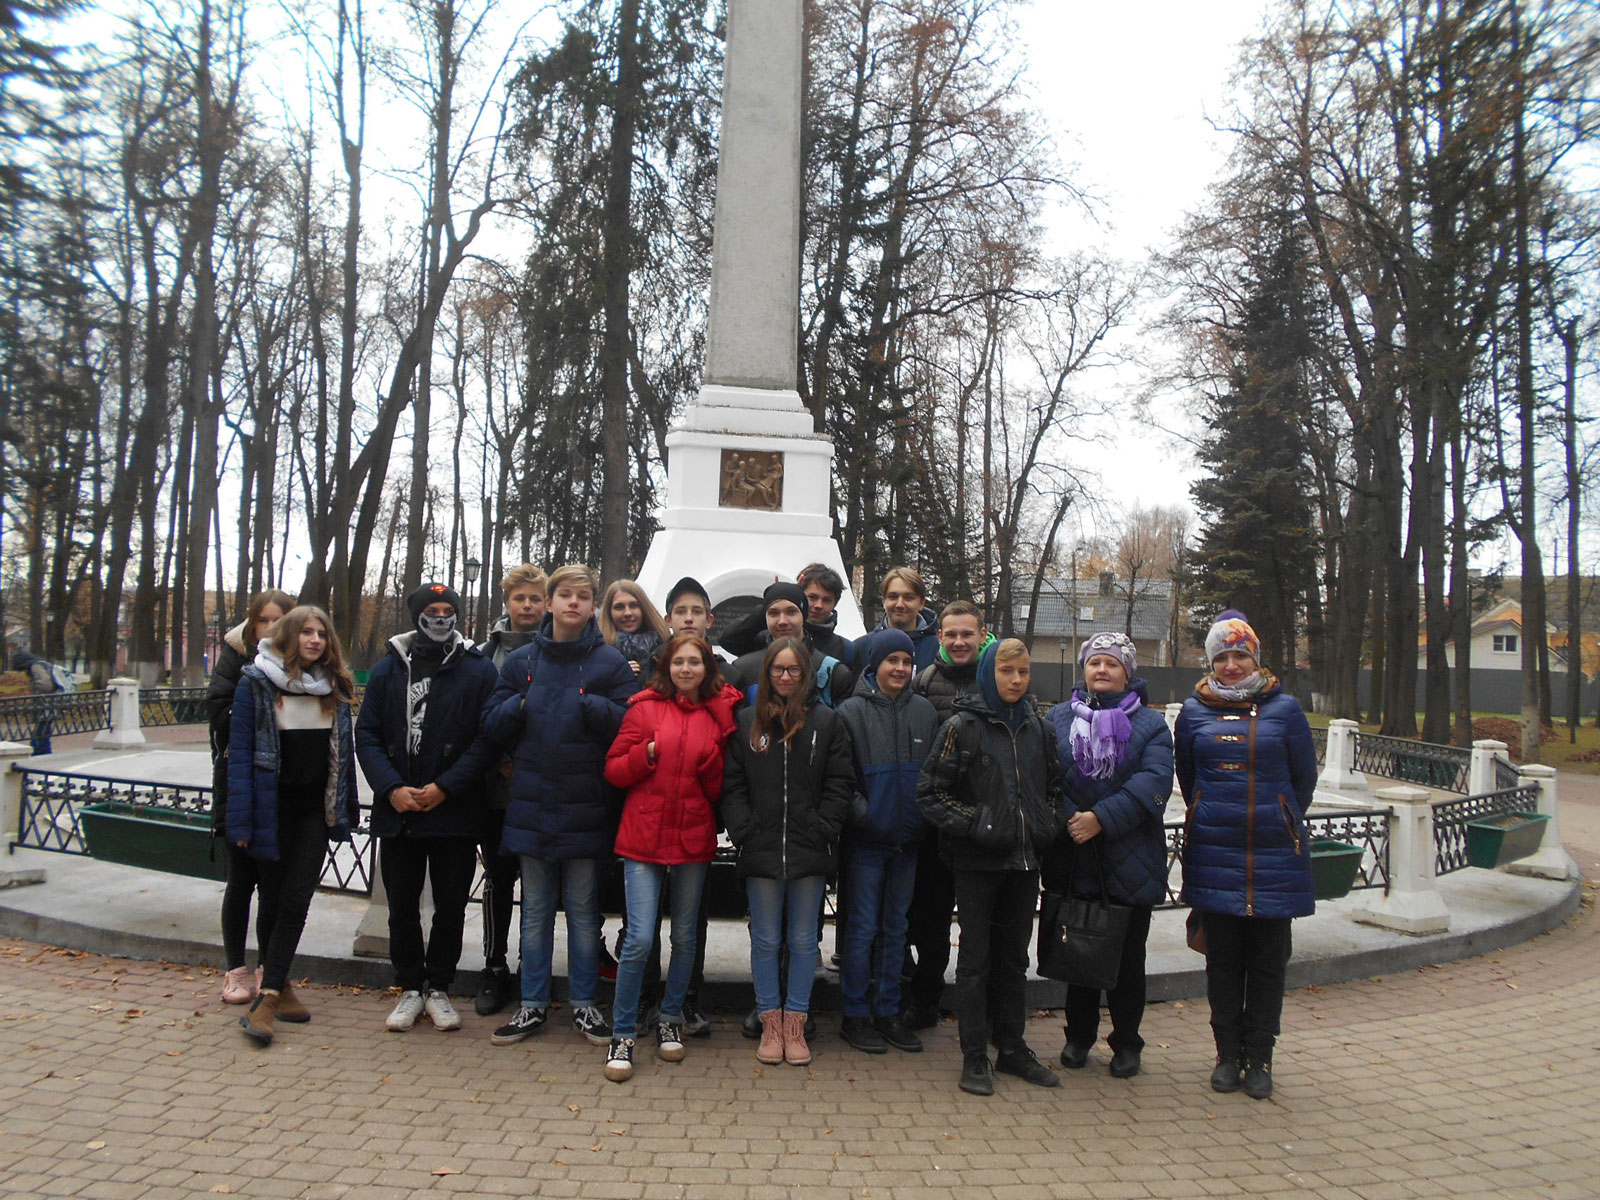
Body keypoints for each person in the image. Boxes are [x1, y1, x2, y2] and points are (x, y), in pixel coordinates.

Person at [481, 564, 638, 1048]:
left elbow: (630, 723)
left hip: (586, 804)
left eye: (583, 596)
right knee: (536, 912)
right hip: (531, 802)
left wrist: (592, 706)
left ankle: (585, 1005)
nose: (574, 603)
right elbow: (491, 724)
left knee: (585, 912)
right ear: (549, 603)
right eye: (564, 595)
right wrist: (520, 706)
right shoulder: (522, 661)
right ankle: (531, 1005)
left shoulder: (608, 662)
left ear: (594, 606)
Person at [1177, 610, 1317, 1101]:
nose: (1232, 665)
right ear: (1211, 661)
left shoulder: (1286, 711)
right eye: (1223, 656)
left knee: (1267, 962)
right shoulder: (1195, 712)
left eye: (1240, 655)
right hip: (1216, 853)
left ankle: (1260, 1056)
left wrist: (1279, 815)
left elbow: (1303, 781)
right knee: (1223, 961)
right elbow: (1188, 776)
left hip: (1274, 857)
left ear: (1255, 657)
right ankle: (1226, 1054)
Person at [917, 637, 1063, 1096]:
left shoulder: (1039, 728)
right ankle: (975, 1054)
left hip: (1023, 863)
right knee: (976, 963)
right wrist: (979, 824)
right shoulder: (963, 725)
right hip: (977, 863)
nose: (1016, 680)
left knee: (1014, 961)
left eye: (1022, 671)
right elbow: (931, 794)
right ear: (988, 674)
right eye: (1006, 671)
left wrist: (1045, 825)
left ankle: (1013, 1046)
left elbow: (1055, 786)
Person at [357, 582, 500, 1033]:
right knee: (402, 905)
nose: (441, 618)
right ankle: (409, 987)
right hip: (399, 811)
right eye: (432, 611)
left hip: (452, 811)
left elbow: (486, 740)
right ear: (416, 616)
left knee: (451, 905)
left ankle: (439, 985)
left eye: (448, 610)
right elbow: (368, 735)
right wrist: (390, 787)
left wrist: (447, 786)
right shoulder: (387, 671)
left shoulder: (477, 671)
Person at [599, 633, 742, 1081]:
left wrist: (710, 769)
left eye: (694, 663)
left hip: (691, 837)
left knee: (685, 937)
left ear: (707, 669)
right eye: (678, 662)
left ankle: (670, 1018)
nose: (685, 669)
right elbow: (614, 769)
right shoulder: (643, 708)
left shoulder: (718, 716)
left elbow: (720, 788)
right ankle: (622, 1033)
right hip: (643, 835)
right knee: (640, 938)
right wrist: (646, 755)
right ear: (666, 666)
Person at [1044, 631, 1172, 1079]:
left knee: (1127, 959)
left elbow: (1154, 782)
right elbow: (1045, 778)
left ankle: (1126, 1043)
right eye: (1095, 662)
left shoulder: (1150, 725)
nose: (1102, 670)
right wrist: (1070, 820)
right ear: (1084, 669)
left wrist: (1100, 817)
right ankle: (1079, 1037)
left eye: (1112, 664)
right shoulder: (1059, 719)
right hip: (1074, 855)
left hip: (1129, 857)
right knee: (1078, 951)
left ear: (1127, 673)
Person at [229, 606, 359, 1045]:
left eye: (322, 633)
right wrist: (241, 818)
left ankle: (266, 997)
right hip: (270, 808)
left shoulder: (334, 686)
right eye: (306, 632)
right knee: (272, 897)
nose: (315, 640)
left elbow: (341, 754)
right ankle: (279, 985)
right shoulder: (257, 682)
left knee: (297, 897)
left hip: (312, 812)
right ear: (289, 636)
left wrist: (344, 809)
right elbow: (241, 756)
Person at [721, 637, 853, 1067]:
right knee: (764, 939)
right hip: (760, 847)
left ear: (805, 675)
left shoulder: (827, 722)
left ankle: (796, 1023)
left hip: (808, 848)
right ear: (767, 673)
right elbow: (733, 785)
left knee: (801, 940)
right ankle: (770, 1022)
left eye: (793, 670)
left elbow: (839, 783)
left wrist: (824, 827)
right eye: (778, 670)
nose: (785, 677)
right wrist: (743, 831)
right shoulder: (747, 723)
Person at [834, 629, 938, 1055]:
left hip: (908, 842)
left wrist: (919, 819)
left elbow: (933, 774)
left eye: (906, 661)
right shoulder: (850, 713)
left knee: (896, 930)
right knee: (861, 931)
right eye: (891, 660)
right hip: (866, 844)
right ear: (874, 664)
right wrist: (867, 816)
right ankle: (855, 1014)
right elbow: (842, 778)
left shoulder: (925, 712)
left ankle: (888, 1010)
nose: (899, 668)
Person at [902, 600, 995, 1029]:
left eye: (967, 634)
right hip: (935, 824)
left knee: (983, 925)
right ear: (939, 638)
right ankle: (925, 999)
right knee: (931, 921)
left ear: (981, 634)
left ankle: (984, 1008)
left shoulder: (996, 679)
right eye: (951, 635)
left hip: (983, 823)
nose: (959, 642)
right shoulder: (921, 683)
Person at [207, 588, 294, 1006]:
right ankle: (235, 969)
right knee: (240, 883)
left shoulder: (301, 662)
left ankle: (268, 970)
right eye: (264, 620)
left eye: (279, 620)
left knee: (274, 887)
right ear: (252, 623)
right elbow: (218, 714)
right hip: (240, 783)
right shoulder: (235, 658)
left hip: (282, 790)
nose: (271, 628)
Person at [473, 564, 547, 1016]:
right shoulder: (486, 657)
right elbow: (479, 717)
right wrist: (501, 763)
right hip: (499, 791)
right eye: (519, 599)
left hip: (544, 788)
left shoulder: (560, 650)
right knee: (500, 881)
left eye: (535, 599)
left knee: (544, 889)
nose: (526, 606)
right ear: (507, 603)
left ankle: (532, 968)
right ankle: (495, 966)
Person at [725, 581, 855, 704]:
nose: (782, 621)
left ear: (803, 616)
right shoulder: (743, 669)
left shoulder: (833, 672)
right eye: (773, 613)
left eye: (791, 612)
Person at [717, 564, 855, 666]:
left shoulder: (845, 650)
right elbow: (729, 640)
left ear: (835, 603)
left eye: (827, 600)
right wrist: (775, 601)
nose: (818, 605)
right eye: (812, 597)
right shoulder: (768, 639)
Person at [852, 567, 939, 672]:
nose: (900, 604)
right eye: (893, 597)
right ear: (884, 601)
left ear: (921, 603)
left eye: (908, 598)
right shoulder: (861, 648)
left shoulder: (938, 649)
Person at [599, 580, 671, 679]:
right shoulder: (598, 653)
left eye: (633, 605)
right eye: (619, 607)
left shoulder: (667, 648)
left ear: (644, 608)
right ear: (609, 612)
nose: (627, 613)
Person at [10, 644, 66, 755]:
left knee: (41, 732)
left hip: (47, 704)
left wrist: (35, 697)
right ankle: (42, 752)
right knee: (43, 732)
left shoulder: (36, 667)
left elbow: (45, 685)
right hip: (51, 703)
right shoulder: (41, 665)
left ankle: (39, 754)